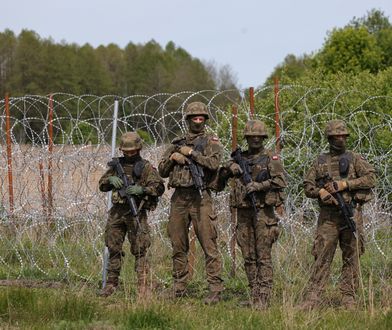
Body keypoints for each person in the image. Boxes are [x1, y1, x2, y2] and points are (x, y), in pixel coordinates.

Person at [299, 120, 376, 310]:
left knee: (352, 255)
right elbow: (308, 185)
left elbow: (371, 178)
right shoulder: (320, 161)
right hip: (328, 218)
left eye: (343, 136)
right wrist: (320, 192)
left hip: (351, 214)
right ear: (330, 139)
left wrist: (345, 185)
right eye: (337, 136)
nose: (341, 139)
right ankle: (314, 297)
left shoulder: (355, 158)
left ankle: (348, 297)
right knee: (322, 256)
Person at [158, 101, 224, 305]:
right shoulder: (176, 142)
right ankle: (179, 286)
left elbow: (214, 164)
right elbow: (161, 171)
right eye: (194, 117)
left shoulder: (211, 142)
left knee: (208, 244)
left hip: (201, 198)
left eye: (201, 117)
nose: (198, 120)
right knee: (178, 244)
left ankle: (215, 288)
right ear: (188, 119)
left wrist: (191, 154)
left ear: (205, 119)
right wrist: (174, 158)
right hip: (179, 198)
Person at [218, 119, 286, 310]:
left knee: (263, 256)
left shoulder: (271, 158)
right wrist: (228, 169)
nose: (255, 139)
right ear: (247, 138)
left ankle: (264, 297)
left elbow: (280, 181)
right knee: (248, 255)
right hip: (244, 213)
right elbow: (217, 183)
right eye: (251, 137)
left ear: (264, 138)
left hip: (264, 212)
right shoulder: (239, 160)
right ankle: (254, 294)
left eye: (258, 136)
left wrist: (259, 186)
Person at [98, 132, 164, 298]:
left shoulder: (145, 166)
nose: (129, 154)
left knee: (140, 248)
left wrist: (142, 190)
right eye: (126, 152)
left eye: (132, 151)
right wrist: (110, 180)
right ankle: (111, 283)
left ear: (139, 149)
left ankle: (143, 284)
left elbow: (159, 187)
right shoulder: (116, 166)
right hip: (117, 212)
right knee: (113, 247)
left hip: (136, 212)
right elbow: (102, 184)